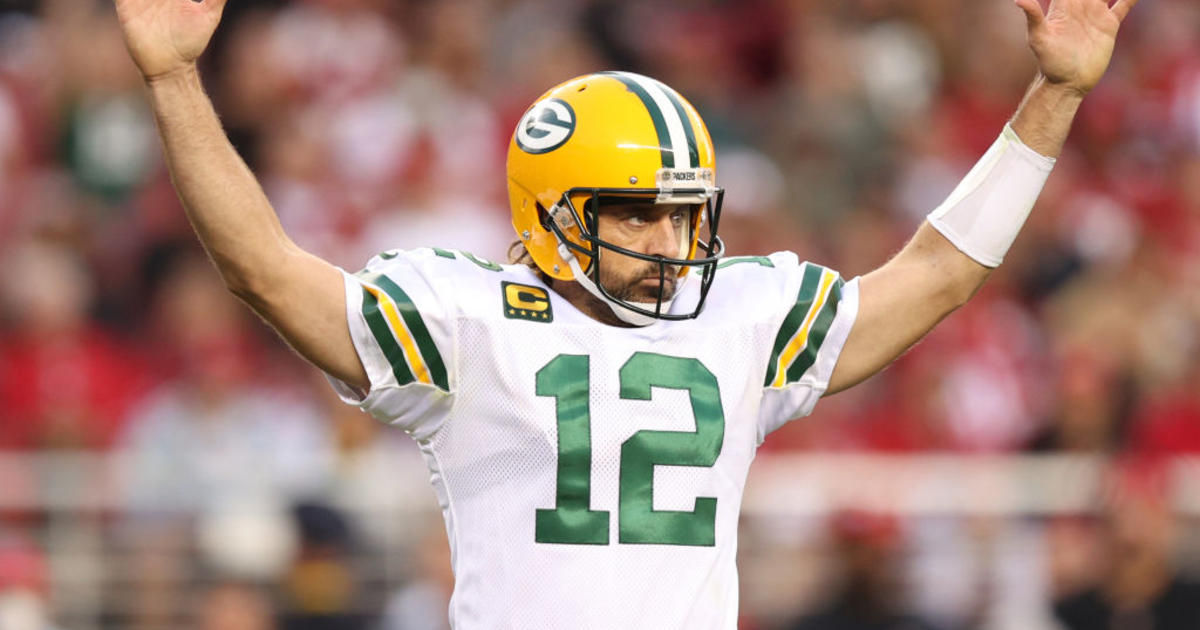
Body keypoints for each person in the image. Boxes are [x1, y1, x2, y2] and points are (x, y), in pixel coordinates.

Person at [112, 0, 1139, 627]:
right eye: (639, 216)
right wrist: (174, 79)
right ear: (550, 215)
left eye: (684, 215)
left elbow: (938, 275)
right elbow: (261, 268)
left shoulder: (742, 315)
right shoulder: (470, 320)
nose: (670, 242)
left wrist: (1052, 97)